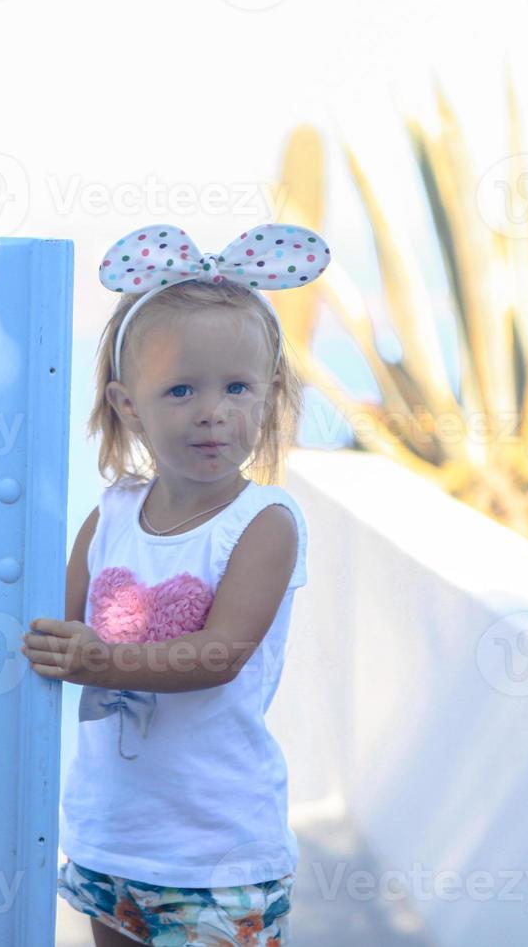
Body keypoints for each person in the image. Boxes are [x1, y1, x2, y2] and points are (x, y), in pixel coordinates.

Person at [18, 222, 329, 945]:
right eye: (182, 388)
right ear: (131, 406)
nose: (212, 410)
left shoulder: (263, 522)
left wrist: (101, 661)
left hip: (215, 851)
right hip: (111, 834)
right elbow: (56, 626)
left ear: (268, 397)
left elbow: (219, 656)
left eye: (237, 387)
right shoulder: (114, 513)